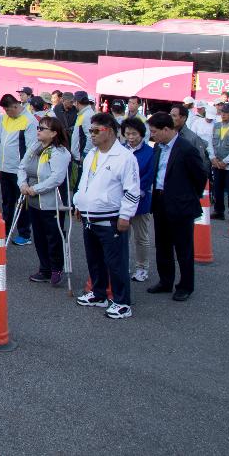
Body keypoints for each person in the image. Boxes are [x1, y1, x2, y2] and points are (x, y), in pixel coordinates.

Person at [73, 113, 139, 319]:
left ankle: (122, 302)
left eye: (95, 131)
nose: (91, 135)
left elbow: (132, 190)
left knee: (116, 262)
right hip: (89, 216)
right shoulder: (92, 154)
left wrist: (125, 215)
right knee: (94, 259)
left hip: (111, 217)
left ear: (109, 131)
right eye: (90, 130)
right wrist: (78, 203)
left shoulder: (125, 157)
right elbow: (85, 181)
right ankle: (99, 293)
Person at [146, 111, 207, 301]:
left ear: (166, 129)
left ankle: (185, 286)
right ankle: (165, 281)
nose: (152, 135)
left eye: (155, 131)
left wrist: (187, 197)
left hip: (181, 205)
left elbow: (200, 176)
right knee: (162, 245)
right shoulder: (157, 147)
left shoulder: (186, 148)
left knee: (183, 248)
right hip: (159, 200)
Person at [21, 115, 71, 286]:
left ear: (53, 133)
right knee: (39, 236)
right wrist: (23, 183)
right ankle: (44, 268)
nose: (39, 131)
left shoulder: (60, 152)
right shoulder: (35, 147)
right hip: (33, 200)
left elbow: (57, 178)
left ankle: (57, 267)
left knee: (53, 236)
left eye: (42, 129)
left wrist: (35, 189)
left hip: (51, 203)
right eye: (38, 128)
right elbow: (22, 166)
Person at [0, 94, 37, 246]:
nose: (7, 112)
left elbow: (31, 147)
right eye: (5, 110)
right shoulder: (4, 118)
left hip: (19, 170)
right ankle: (5, 230)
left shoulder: (29, 120)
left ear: (15, 106)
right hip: (5, 168)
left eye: (9, 110)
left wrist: (24, 168)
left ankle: (24, 233)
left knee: (22, 203)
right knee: (7, 201)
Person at [119, 117, 156, 283]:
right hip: (120, 199)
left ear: (141, 134)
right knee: (121, 236)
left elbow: (149, 175)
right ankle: (123, 265)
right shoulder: (120, 150)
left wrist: (136, 192)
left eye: (134, 134)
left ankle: (142, 267)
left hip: (141, 200)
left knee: (141, 237)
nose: (131, 137)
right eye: (127, 133)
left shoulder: (150, 152)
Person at [71, 91, 95, 167]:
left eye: (74, 102)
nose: (73, 105)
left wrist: (85, 154)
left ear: (77, 102)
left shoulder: (87, 115)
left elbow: (91, 136)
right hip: (79, 157)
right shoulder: (83, 114)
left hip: (82, 158)